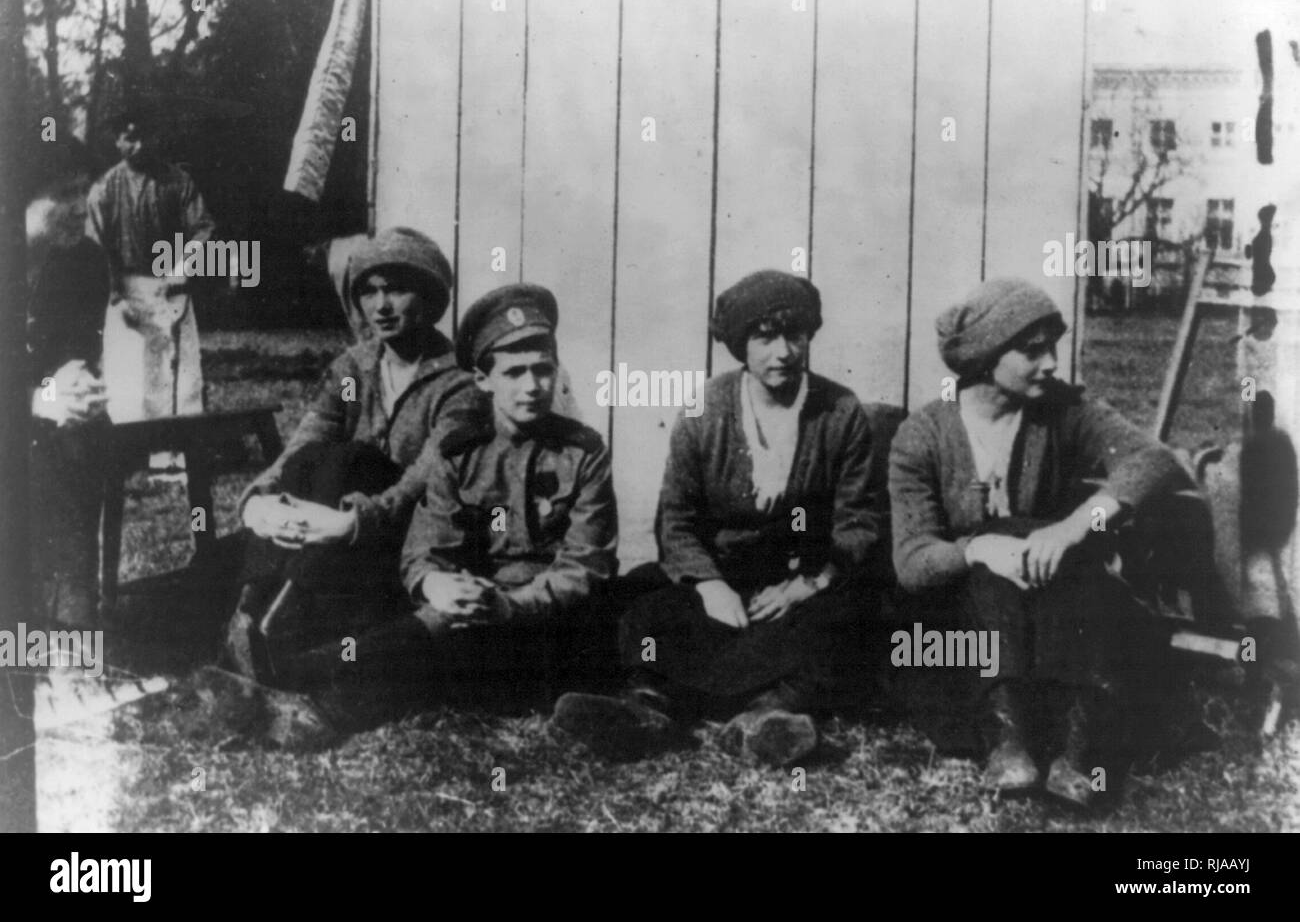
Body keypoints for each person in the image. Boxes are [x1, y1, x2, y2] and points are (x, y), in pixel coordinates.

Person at [204, 282, 618, 748]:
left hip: (547, 620)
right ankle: (282, 678)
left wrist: (509, 605)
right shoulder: (460, 453)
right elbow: (423, 550)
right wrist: (436, 584)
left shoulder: (584, 453)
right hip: (469, 610)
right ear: (484, 380)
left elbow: (587, 565)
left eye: (543, 370)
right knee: (432, 638)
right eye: (515, 372)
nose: (532, 387)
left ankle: (305, 693)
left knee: (432, 653)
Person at [552, 270, 892, 766]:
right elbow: (676, 521)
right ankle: (646, 704)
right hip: (721, 580)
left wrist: (812, 582)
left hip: (797, 586)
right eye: (764, 336)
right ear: (740, 344)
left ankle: (769, 717)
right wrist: (709, 584)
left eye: (794, 335)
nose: (783, 352)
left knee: (847, 618)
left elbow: (858, 520)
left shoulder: (840, 413)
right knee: (642, 608)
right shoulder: (703, 412)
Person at [888, 279, 1192, 807]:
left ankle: (1077, 746)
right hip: (962, 632)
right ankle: (1007, 739)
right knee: (1002, 540)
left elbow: (1153, 461)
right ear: (986, 355)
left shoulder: (1061, 410)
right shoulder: (923, 435)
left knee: (1077, 566)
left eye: (1052, 347)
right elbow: (912, 562)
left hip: (1051, 617)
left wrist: (1075, 526)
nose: (1050, 363)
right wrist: (976, 550)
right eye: (1032, 351)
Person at [222, 226, 479, 679]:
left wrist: (351, 521)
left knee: (350, 460)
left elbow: (424, 480)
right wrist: (261, 498)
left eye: (397, 290)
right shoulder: (354, 368)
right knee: (314, 461)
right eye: (369, 292)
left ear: (430, 297)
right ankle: (251, 612)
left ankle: (277, 620)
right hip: (329, 534)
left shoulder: (457, 383)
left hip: (401, 537)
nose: (380, 306)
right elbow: (306, 441)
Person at [86, 110, 215, 456]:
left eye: (145, 135)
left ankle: (182, 452)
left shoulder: (177, 181)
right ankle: (127, 453)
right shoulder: (105, 188)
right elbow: (96, 247)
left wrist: (181, 265)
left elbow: (203, 228)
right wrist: (115, 294)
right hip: (126, 291)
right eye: (129, 136)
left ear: (157, 136)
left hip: (171, 287)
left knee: (183, 372)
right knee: (130, 374)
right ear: (117, 140)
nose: (138, 144)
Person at [27, 173, 112, 628]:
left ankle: (71, 625)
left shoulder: (86, 261)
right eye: (63, 191)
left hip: (50, 424)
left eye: (85, 190)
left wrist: (72, 386)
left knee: (82, 434)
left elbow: (77, 354)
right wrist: (37, 401)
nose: (82, 206)